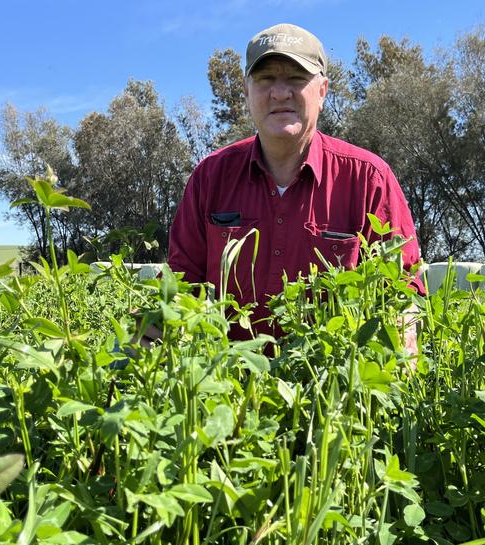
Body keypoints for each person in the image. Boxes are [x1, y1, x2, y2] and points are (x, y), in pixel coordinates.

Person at [168, 23, 424, 342]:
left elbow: (402, 297)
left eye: (296, 78)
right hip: (228, 382)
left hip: (334, 383)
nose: (280, 92)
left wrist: (399, 369)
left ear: (322, 91)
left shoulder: (369, 178)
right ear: (246, 91)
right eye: (265, 79)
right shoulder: (210, 177)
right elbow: (181, 288)